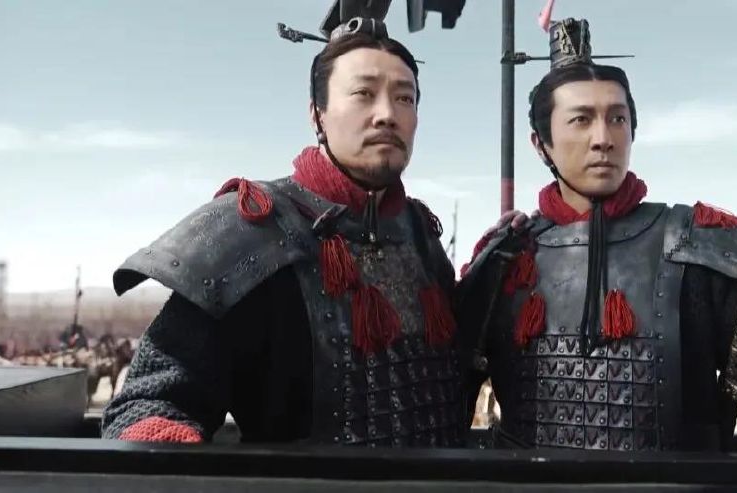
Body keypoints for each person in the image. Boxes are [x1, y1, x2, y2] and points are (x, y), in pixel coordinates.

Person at [458, 18, 737, 454]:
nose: (603, 138)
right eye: (581, 120)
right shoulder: (507, 259)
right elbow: (445, 387)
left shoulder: (691, 244)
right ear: (541, 144)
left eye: (617, 119)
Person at [104, 17, 483, 447]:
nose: (387, 115)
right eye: (363, 94)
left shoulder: (421, 236)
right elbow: (150, 403)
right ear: (317, 115)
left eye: (404, 98)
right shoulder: (254, 228)